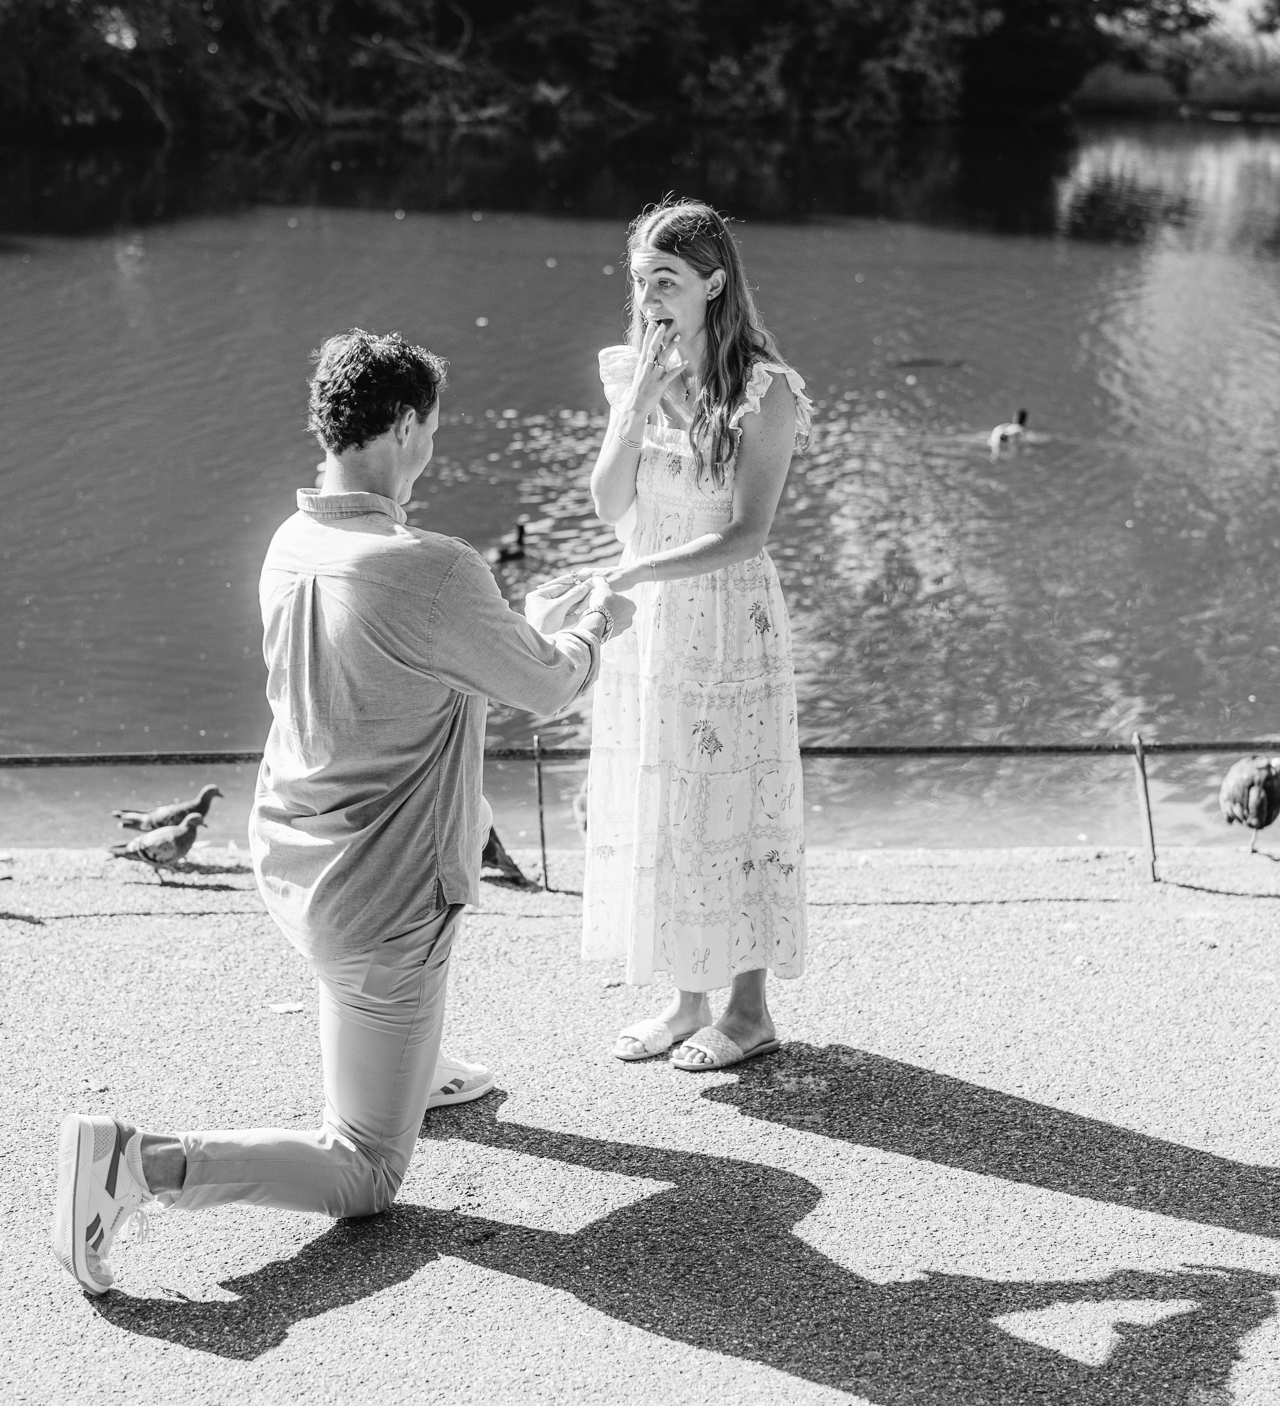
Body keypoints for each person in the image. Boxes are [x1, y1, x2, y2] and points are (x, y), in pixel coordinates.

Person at [52, 329, 634, 1296]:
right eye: (433, 433)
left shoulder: (293, 541)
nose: (432, 452)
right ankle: (137, 1164)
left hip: (294, 855)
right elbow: (544, 689)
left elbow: (401, 676)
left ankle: (414, 1059)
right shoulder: (433, 567)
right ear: (403, 426)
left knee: (376, 1000)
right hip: (378, 900)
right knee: (366, 1172)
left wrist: (510, 631)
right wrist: (587, 626)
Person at [577, 200, 812, 1070]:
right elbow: (609, 506)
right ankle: (686, 1002)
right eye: (640, 281)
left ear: (715, 282)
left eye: (666, 282)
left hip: (726, 620)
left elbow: (749, 530)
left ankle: (749, 1013)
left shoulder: (767, 390)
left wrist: (636, 574)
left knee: (732, 805)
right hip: (652, 625)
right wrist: (633, 405)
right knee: (665, 802)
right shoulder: (631, 372)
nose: (648, 299)